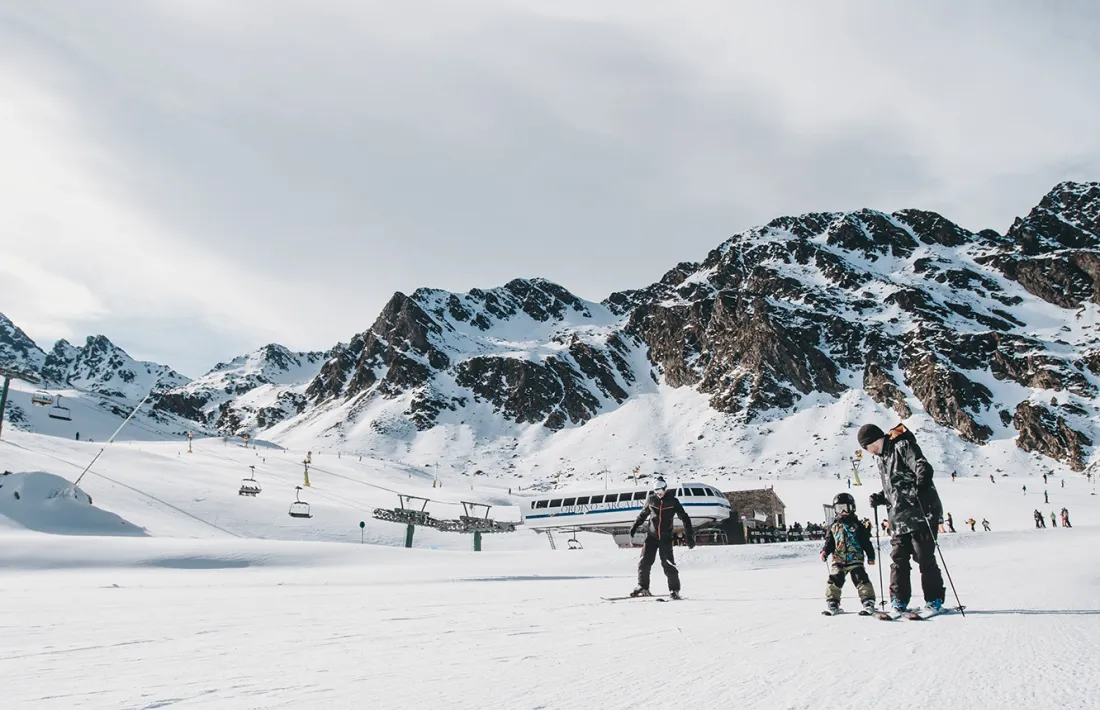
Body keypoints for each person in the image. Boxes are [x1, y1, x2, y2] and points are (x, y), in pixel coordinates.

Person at [859, 423, 946, 614]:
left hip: (921, 513)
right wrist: (881, 497)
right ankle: (898, 600)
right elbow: (896, 486)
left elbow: (922, 465)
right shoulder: (882, 458)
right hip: (899, 519)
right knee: (898, 560)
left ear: (871, 442)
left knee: (924, 558)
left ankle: (934, 599)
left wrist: (922, 481)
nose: (866, 452)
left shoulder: (903, 446)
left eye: (865, 447)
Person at [629, 476, 694, 599]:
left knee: (668, 564)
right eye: (656, 492)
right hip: (651, 536)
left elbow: (685, 518)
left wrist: (689, 537)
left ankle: (674, 590)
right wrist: (634, 527)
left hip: (665, 537)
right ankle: (643, 586)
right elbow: (642, 515)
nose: (658, 495)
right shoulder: (651, 500)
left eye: (660, 492)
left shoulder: (673, 501)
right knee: (644, 561)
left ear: (665, 489)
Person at [821, 493, 877, 615]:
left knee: (861, 579)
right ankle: (833, 602)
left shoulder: (857, 526)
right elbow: (829, 542)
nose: (843, 512)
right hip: (839, 560)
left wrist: (870, 555)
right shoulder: (833, 526)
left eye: (846, 508)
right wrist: (825, 551)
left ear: (852, 508)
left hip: (855, 559)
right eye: (840, 509)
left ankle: (868, 601)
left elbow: (866, 542)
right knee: (834, 580)